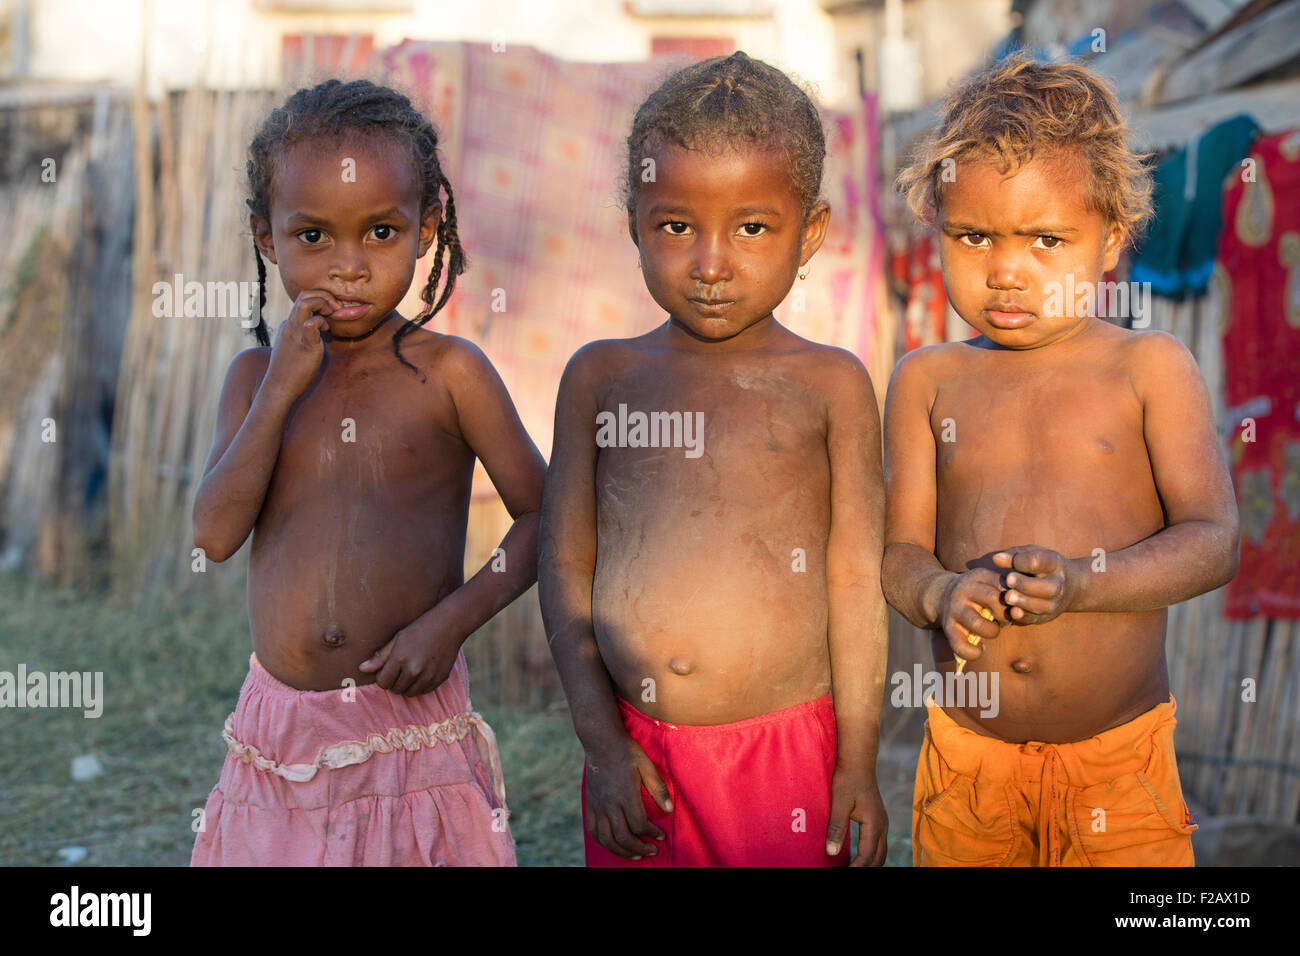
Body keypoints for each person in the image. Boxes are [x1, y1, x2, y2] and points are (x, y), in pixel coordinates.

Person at [885, 55, 1240, 866]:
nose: (1007, 272)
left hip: (1120, 764)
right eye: (974, 237)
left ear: (1110, 239)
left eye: (1047, 240)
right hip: (969, 768)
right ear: (939, 224)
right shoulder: (927, 381)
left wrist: (1083, 583)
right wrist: (940, 592)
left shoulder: (1148, 369)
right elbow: (899, 556)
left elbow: (1214, 542)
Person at [539, 52, 889, 867]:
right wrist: (600, 744)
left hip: (787, 761)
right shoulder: (600, 378)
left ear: (812, 232)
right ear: (633, 222)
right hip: (637, 757)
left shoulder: (831, 386)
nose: (710, 263)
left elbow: (855, 585)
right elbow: (565, 569)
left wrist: (859, 765)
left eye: (753, 228)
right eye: (675, 226)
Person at [190, 79, 545, 866]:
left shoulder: (451, 374)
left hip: (410, 730)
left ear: (426, 230)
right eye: (313, 237)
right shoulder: (256, 379)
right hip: (281, 734)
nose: (348, 268)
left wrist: (450, 623)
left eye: (380, 232)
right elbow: (214, 535)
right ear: (265, 235)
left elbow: (544, 516)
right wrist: (282, 386)